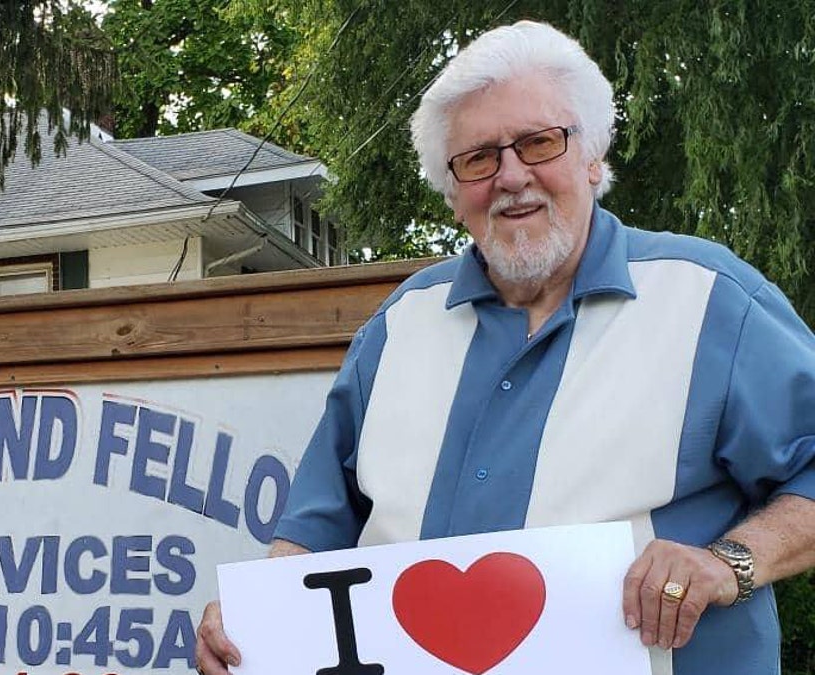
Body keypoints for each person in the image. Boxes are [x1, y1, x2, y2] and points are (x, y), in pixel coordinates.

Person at [194, 20, 815, 675]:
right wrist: (253, 624)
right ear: (453, 188)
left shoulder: (709, 297)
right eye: (479, 158)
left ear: (593, 157)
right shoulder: (402, 324)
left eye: (540, 142)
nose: (512, 176)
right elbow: (318, 523)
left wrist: (730, 562)